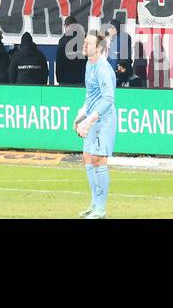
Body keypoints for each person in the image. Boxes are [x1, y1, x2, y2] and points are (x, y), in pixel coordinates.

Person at [74, 28, 116, 219]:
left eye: (88, 43)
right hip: (92, 118)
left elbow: (108, 99)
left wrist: (90, 120)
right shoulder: (89, 65)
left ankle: (101, 208)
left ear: (98, 48)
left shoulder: (103, 68)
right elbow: (90, 95)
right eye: (85, 42)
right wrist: (81, 113)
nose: (84, 45)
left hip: (104, 121)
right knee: (88, 156)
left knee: (99, 160)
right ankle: (94, 203)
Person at [54, 16, 87, 85]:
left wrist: (59, 79)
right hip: (81, 80)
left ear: (65, 26)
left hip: (65, 80)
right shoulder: (84, 39)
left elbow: (59, 62)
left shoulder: (62, 41)